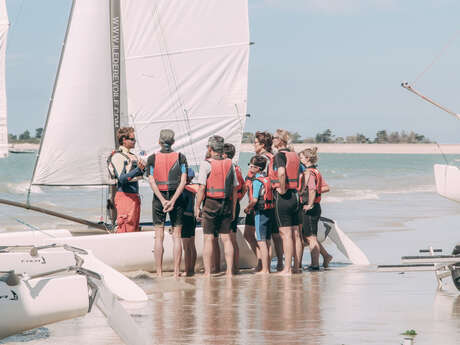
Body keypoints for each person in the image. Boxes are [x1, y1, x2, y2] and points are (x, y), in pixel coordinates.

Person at [194, 135, 239, 277]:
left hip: (211, 203)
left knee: (209, 238)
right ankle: (229, 272)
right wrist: (233, 209)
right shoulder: (230, 163)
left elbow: (201, 188)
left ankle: (207, 273)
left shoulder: (206, 164)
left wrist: (197, 207)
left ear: (210, 148)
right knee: (226, 238)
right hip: (226, 203)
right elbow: (234, 189)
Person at [146, 129, 188, 277]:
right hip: (177, 198)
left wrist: (163, 200)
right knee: (177, 236)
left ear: (159, 141)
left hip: (159, 198)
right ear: (173, 142)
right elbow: (183, 181)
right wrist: (173, 200)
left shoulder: (152, 158)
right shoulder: (181, 157)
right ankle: (176, 272)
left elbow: (151, 180)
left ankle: (159, 272)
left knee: (158, 236)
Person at [270, 129, 303, 274]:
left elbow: (281, 173)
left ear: (281, 140)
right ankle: (296, 267)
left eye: (275, 138)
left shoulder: (280, 156)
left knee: (285, 234)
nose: (273, 140)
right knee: (296, 234)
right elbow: (302, 175)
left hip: (284, 197)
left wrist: (282, 190)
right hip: (295, 196)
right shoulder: (295, 155)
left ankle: (287, 268)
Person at [254, 131, 284, 271]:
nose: (253, 145)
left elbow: (260, 180)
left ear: (262, 144)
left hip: (263, 200)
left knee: (264, 236)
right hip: (275, 198)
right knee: (275, 235)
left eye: (255, 142)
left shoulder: (261, 159)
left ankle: (263, 266)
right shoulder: (274, 156)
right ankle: (279, 264)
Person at [299, 147, 333, 270]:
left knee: (311, 237)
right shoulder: (315, 171)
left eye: (301, 157)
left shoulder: (310, 172)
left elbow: (312, 188)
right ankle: (326, 255)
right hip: (315, 207)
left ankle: (314, 265)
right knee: (307, 236)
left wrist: (310, 203)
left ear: (307, 159)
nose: (300, 159)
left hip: (311, 207)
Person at [107, 127, 145, 233]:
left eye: (134, 140)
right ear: (124, 140)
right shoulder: (117, 156)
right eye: (132, 139)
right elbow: (122, 179)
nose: (134, 142)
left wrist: (142, 169)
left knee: (133, 228)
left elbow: (137, 174)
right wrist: (138, 170)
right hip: (125, 197)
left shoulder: (132, 156)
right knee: (125, 228)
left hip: (134, 197)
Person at [244, 156, 274, 274]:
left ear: (259, 168)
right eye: (250, 165)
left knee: (261, 241)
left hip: (260, 212)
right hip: (269, 211)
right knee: (266, 240)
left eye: (253, 167)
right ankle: (267, 268)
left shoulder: (256, 181)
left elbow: (255, 199)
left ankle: (265, 269)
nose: (251, 168)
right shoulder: (267, 179)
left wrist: (247, 208)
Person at [223, 143, 245, 274]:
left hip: (230, 205)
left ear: (225, 154)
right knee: (232, 237)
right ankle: (234, 267)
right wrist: (239, 200)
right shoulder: (236, 168)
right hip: (234, 204)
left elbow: (239, 188)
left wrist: (235, 202)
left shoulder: (232, 168)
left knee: (230, 237)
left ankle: (232, 268)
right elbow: (244, 188)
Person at [181, 168, 198, 276]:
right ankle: (191, 268)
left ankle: (187, 271)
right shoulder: (192, 188)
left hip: (185, 218)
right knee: (192, 245)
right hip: (192, 218)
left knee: (186, 247)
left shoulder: (183, 189)